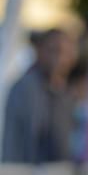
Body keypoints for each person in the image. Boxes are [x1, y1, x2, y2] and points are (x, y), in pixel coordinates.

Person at [2, 28, 79, 164]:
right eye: (53, 50)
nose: (58, 58)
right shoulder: (24, 89)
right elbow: (14, 145)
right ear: (40, 51)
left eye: (63, 52)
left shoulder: (68, 95)